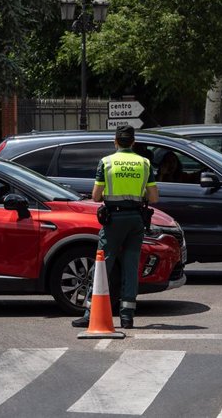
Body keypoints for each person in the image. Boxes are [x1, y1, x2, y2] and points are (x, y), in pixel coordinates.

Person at [72, 125, 159, 329]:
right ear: (133, 142)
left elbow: (95, 196)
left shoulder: (107, 162)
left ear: (115, 141)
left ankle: (90, 312)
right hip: (136, 219)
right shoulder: (144, 163)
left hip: (114, 219)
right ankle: (127, 315)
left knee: (103, 265)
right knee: (130, 265)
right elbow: (153, 197)